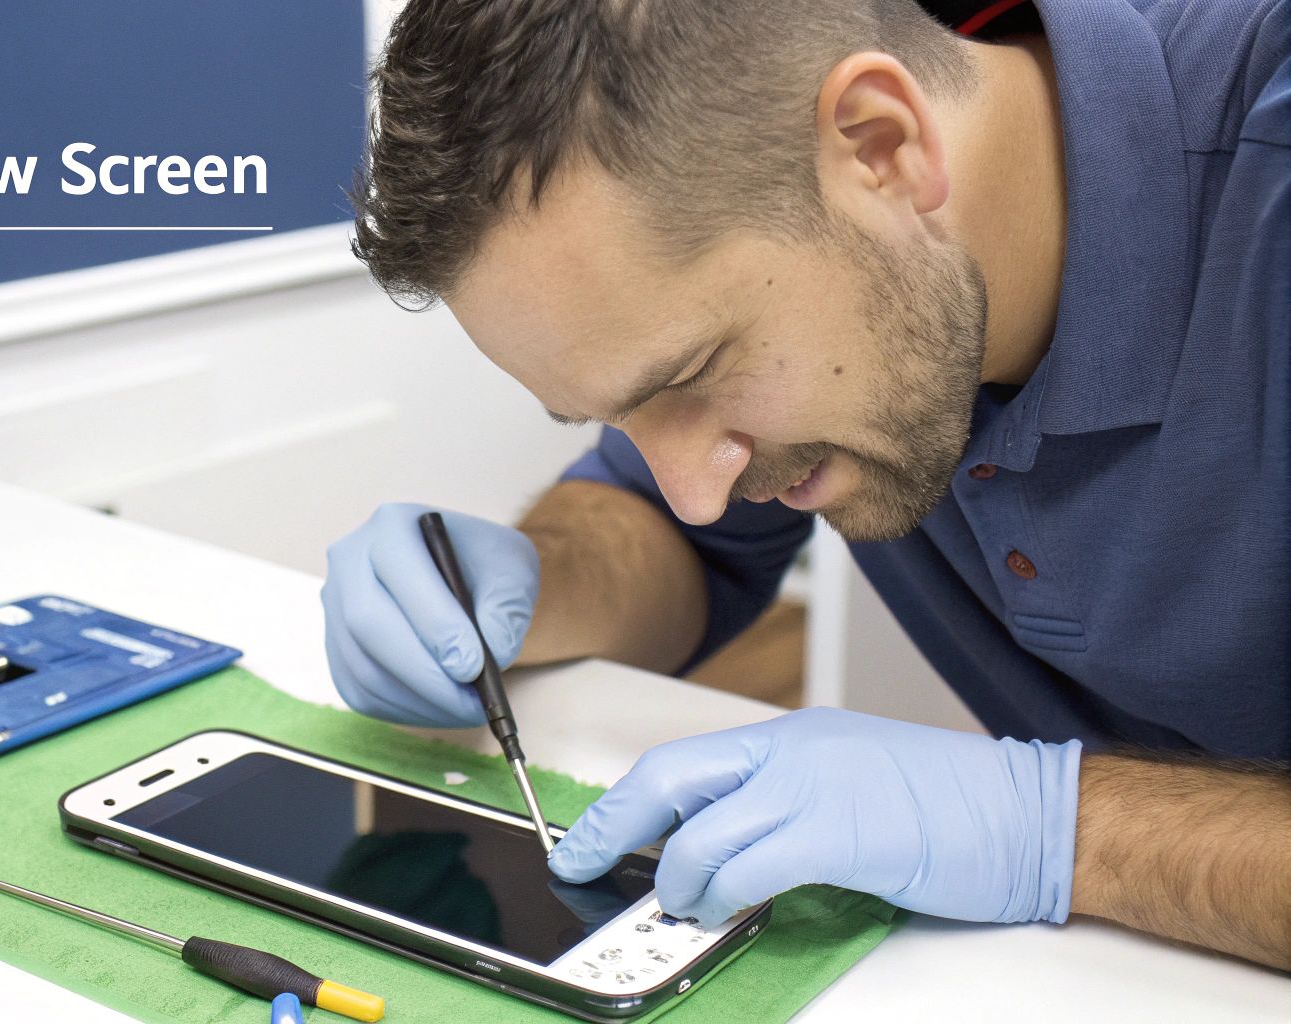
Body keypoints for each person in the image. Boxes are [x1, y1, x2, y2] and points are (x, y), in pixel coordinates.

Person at [322, 0, 1291, 969]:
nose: (694, 490)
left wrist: (1055, 831)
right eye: (615, 415)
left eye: (691, 374)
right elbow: (672, 533)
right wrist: (517, 596)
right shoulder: (846, 285)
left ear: (880, 146)